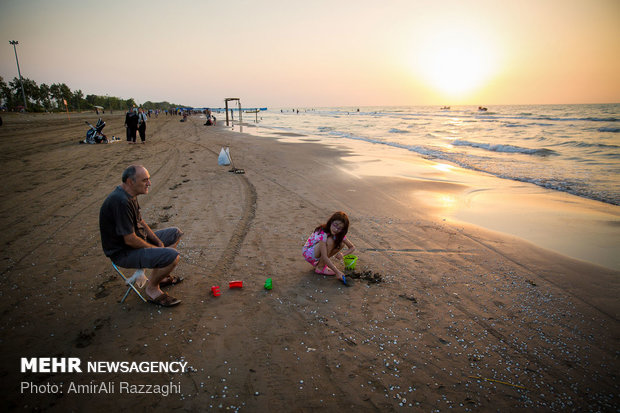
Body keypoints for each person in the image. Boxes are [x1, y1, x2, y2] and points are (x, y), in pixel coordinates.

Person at [99, 165, 184, 307]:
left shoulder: (129, 194)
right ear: (130, 182)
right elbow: (130, 240)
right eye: (145, 180)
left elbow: (140, 221)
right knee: (172, 256)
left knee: (175, 233)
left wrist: (158, 242)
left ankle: (158, 279)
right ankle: (152, 288)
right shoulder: (121, 201)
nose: (149, 183)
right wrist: (155, 249)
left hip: (136, 241)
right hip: (123, 252)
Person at [302, 211, 355, 285]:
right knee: (330, 241)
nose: (336, 229)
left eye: (340, 228)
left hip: (318, 253)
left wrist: (343, 254)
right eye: (335, 225)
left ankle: (320, 264)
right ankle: (320, 268)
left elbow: (352, 247)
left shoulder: (339, 233)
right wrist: (337, 272)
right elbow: (324, 256)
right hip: (309, 253)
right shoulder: (323, 232)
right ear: (331, 222)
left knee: (341, 243)